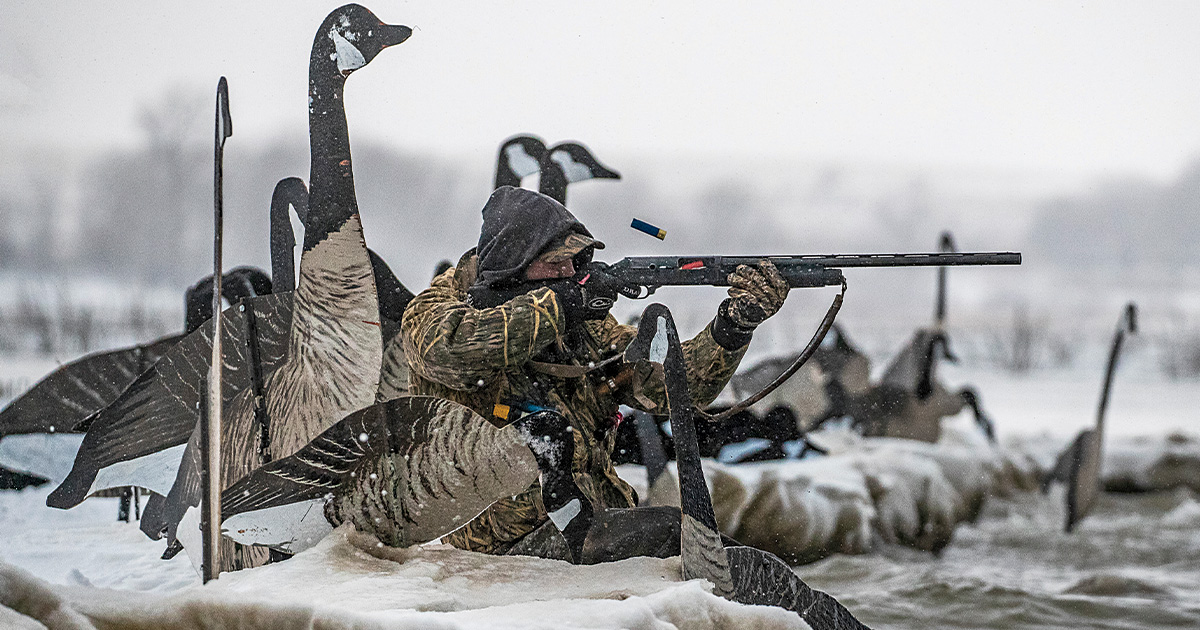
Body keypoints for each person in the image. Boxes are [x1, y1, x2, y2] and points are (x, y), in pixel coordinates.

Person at [401, 185, 789, 558]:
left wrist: (733, 328)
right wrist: (564, 304)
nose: (570, 271)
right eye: (555, 263)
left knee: (687, 539)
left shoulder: (579, 321)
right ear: (514, 262)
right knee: (673, 533)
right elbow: (450, 349)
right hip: (494, 544)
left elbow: (667, 387)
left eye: (574, 261)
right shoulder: (436, 311)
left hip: (583, 523)